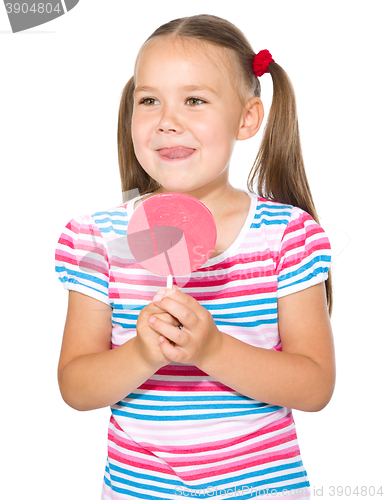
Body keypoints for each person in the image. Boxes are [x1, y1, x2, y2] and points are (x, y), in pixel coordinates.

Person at [55, 14, 335, 500]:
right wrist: (142, 353)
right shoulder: (98, 239)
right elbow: (77, 387)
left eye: (194, 100)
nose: (167, 120)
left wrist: (212, 350)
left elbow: (314, 387)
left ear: (247, 118)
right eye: (149, 101)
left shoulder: (286, 235)